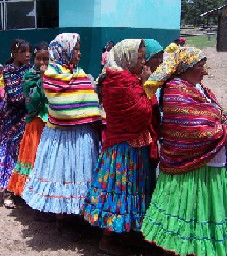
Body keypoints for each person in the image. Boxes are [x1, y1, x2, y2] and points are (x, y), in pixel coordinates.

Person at [141, 47, 227, 256]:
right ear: (185, 68)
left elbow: (215, 113)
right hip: (187, 164)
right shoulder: (175, 90)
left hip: (209, 162)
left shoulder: (201, 89)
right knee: (185, 209)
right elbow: (191, 127)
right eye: (200, 66)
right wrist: (221, 127)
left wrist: (220, 121)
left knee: (202, 211)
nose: (204, 71)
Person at [82, 39, 159, 255]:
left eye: (144, 57)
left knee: (130, 191)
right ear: (128, 58)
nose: (143, 62)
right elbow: (143, 113)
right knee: (120, 191)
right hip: (123, 149)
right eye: (140, 57)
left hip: (131, 146)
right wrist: (148, 87)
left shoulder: (125, 80)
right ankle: (107, 240)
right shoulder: (120, 82)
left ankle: (124, 235)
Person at [22, 33, 101, 236]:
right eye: (76, 49)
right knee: (61, 175)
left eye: (79, 49)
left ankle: (76, 215)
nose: (79, 53)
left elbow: (88, 101)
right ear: (64, 50)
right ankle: (61, 221)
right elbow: (60, 106)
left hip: (80, 135)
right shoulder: (51, 74)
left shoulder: (80, 73)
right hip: (61, 137)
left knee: (78, 174)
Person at [0, 39, 32, 208]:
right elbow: (14, 96)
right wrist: (33, 94)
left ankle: (22, 189)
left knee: (24, 155)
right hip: (12, 119)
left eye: (29, 51)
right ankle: (8, 192)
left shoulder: (30, 69)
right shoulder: (8, 71)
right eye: (23, 52)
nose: (27, 55)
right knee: (10, 155)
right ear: (14, 53)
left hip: (27, 119)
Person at [7, 42, 49, 196]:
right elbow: (32, 102)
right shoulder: (29, 76)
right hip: (36, 124)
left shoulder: (56, 74)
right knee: (33, 160)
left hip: (51, 125)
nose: (42, 63)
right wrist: (43, 79)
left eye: (46, 59)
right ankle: (29, 194)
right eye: (39, 59)